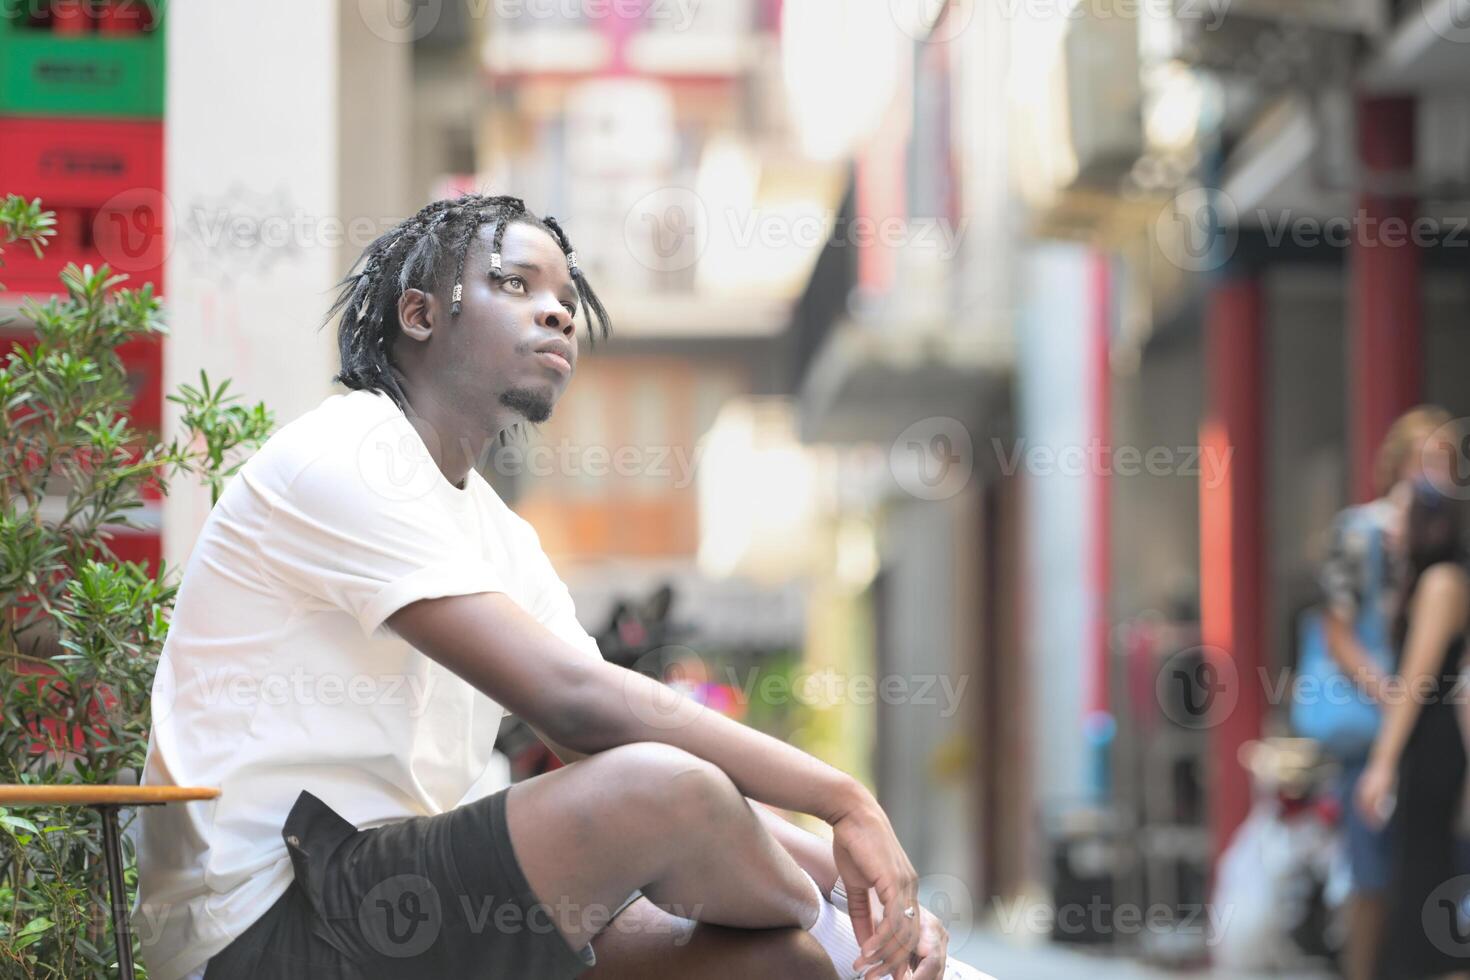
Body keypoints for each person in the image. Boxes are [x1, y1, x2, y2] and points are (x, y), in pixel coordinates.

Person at [134, 194, 983, 980]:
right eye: (513, 283)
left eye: (567, 298)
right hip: (271, 924)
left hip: (411, 897)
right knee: (666, 789)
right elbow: (581, 708)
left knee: (779, 960)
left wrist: (869, 885)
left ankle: (859, 946)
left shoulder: (497, 532)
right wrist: (844, 803)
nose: (557, 311)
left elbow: (597, 745)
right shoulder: (349, 453)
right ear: (420, 314)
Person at [1320, 406, 1453, 980]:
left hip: (1432, 725)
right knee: (1372, 871)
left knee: (1429, 872)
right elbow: (1339, 630)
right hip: (1381, 720)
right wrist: (1389, 693)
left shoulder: (1449, 534)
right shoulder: (1363, 530)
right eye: (1423, 455)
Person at [1355, 480, 1469, 979]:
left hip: (1434, 746)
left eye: (1400, 515)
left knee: (1424, 870)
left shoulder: (1443, 582)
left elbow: (1415, 683)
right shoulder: (1424, 581)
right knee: (1420, 870)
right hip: (1429, 743)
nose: (1389, 526)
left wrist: (1381, 764)